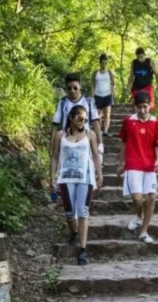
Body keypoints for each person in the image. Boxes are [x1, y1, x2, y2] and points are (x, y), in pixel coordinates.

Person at [50, 105, 103, 266]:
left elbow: (95, 156)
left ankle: (82, 249)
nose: (83, 122)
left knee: (83, 211)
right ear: (71, 118)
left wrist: (99, 175)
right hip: (65, 177)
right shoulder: (60, 135)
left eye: (85, 119)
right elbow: (54, 157)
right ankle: (74, 231)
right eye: (79, 118)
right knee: (69, 212)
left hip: (84, 177)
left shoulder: (90, 134)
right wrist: (52, 177)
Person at [118, 91, 158, 244]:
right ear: (135, 107)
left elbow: (157, 144)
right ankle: (139, 215)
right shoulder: (128, 121)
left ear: (150, 106)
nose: (143, 110)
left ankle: (144, 231)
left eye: (145, 107)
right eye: (139, 107)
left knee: (151, 197)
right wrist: (121, 162)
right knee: (137, 198)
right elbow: (123, 142)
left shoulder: (156, 122)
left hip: (149, 165)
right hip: (133, 163)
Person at [51, 73, 104, 162]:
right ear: (66, 88)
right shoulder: (62, 103)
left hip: (85, 143)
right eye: (69, 88)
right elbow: (55, 125)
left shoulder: (88, 102)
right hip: (66, 143)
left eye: (75, 88)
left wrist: (100, 143)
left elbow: (95, 123)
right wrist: (52, 145)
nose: (72, 91)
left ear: (80, 86)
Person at [127, 47, 158, 112]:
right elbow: (131, 76)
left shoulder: (150, 62)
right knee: (137, 106)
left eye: (141, 57)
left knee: (151, 105)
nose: (140, 59)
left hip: (147, 86)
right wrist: (128, 87)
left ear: (144, 55)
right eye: (138, 57)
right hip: (136, 87)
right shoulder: (134, 63)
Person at [91, 54, 115, 138]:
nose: (104, 65)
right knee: (98, 115)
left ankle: (105, 131)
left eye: (105, 63)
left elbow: (112, 85)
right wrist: (92, 97)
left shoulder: (110, 73)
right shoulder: (95, 73)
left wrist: (112, 97)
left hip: (107, 95)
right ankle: (99, 131)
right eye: (102, 63)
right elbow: (93, 85)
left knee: (107, 114)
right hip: (98, 95)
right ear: (100, 63)